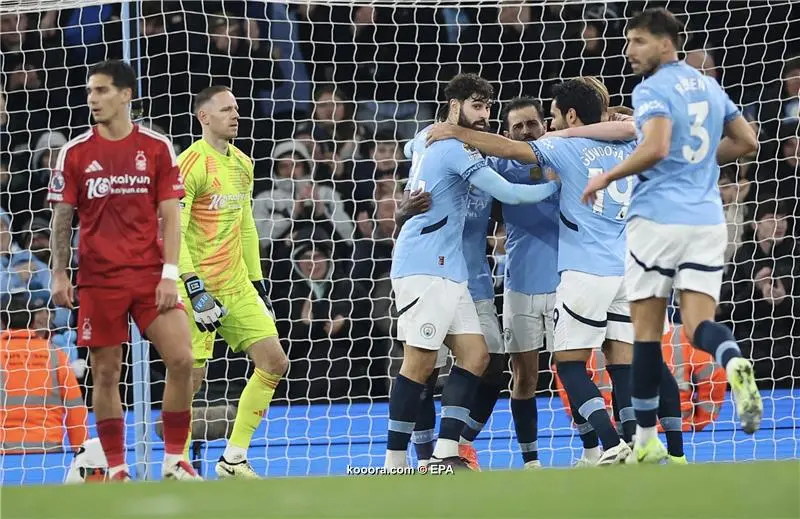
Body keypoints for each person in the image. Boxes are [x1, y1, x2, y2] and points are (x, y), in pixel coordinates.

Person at [427, 79, 646, 465]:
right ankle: (624, 448)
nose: (530, 130)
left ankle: (606, 447)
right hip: (599, 274)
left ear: (559, 120)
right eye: (518, 126)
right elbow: (638, 125)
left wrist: (450, 127)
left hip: (578, 276)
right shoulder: (625, 144)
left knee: (572, 366)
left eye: (543, 119)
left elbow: (507, 146)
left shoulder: (560, 149)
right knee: (544, 375)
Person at [581, 8, 761, 462]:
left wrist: (607, 176)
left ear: (666, 43)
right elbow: (747, 142)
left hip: (656, 221)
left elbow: (656, 146)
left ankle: (644, 438)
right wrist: (697, 168)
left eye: (638, 41)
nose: (628, 51)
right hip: (705, 220)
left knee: (644, 333)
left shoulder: (652, 90)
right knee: (699, 325)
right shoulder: (709, 85)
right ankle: (734, 360)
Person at [384, 73, 559, 470]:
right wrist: (559, 186)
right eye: (477, 105)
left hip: (458, 272)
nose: (484, 114)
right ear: (454, 107)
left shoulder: (448, 142)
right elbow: (511, 193)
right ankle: (396, 461)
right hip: (425, 265)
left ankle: (449, 451)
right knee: (420, 364)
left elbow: (416, 148)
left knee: (477, 356)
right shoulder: (450, 145)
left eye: (487, 107)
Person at [47, 60, 199, 481]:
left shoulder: (156, 147)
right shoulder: (74, 152)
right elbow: (63, 217)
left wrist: (170, 273)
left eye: (101, 90)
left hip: (151, 275)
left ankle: (174, 461)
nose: (92, 99)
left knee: (183, 359)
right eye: (90, 91)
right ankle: (116, 467)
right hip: (98, 279)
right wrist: (59, 274)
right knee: (107, 373)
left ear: (125, 95)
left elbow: (171, 216)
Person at [176, 85, 289, 479]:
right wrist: (193, 287)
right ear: (204, 117)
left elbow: (245, 227)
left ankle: (233, 459)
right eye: (225, 110)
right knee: (190, 379)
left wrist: (257, 283)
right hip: (196, 288)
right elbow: (173, 231)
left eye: (237, 109)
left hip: (237, 285)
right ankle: (180, 464)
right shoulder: (189, 164)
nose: (235, 115)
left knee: (275, 362)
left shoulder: (243, 163)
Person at [0, 293, 88, 453]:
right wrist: (81, 452)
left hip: (3, 449)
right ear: (32, 320)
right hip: (48, 448)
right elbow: (75, 407)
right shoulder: (56, 354)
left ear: (2, 321)